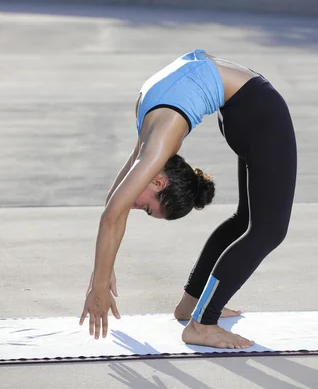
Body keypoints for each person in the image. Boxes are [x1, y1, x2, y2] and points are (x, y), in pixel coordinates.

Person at [79, 49, 297, 349]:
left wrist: (100, 286)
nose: (135, 203)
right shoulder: (154, 143)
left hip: (255, 113)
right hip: (251, 110)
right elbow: (114, 205)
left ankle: (194, 306)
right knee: (265, 229)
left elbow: (112, 213)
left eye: (145, 208)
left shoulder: (156, 143)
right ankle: (202, 323)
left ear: (159, 181)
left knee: (254, 224)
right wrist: (101, 270)